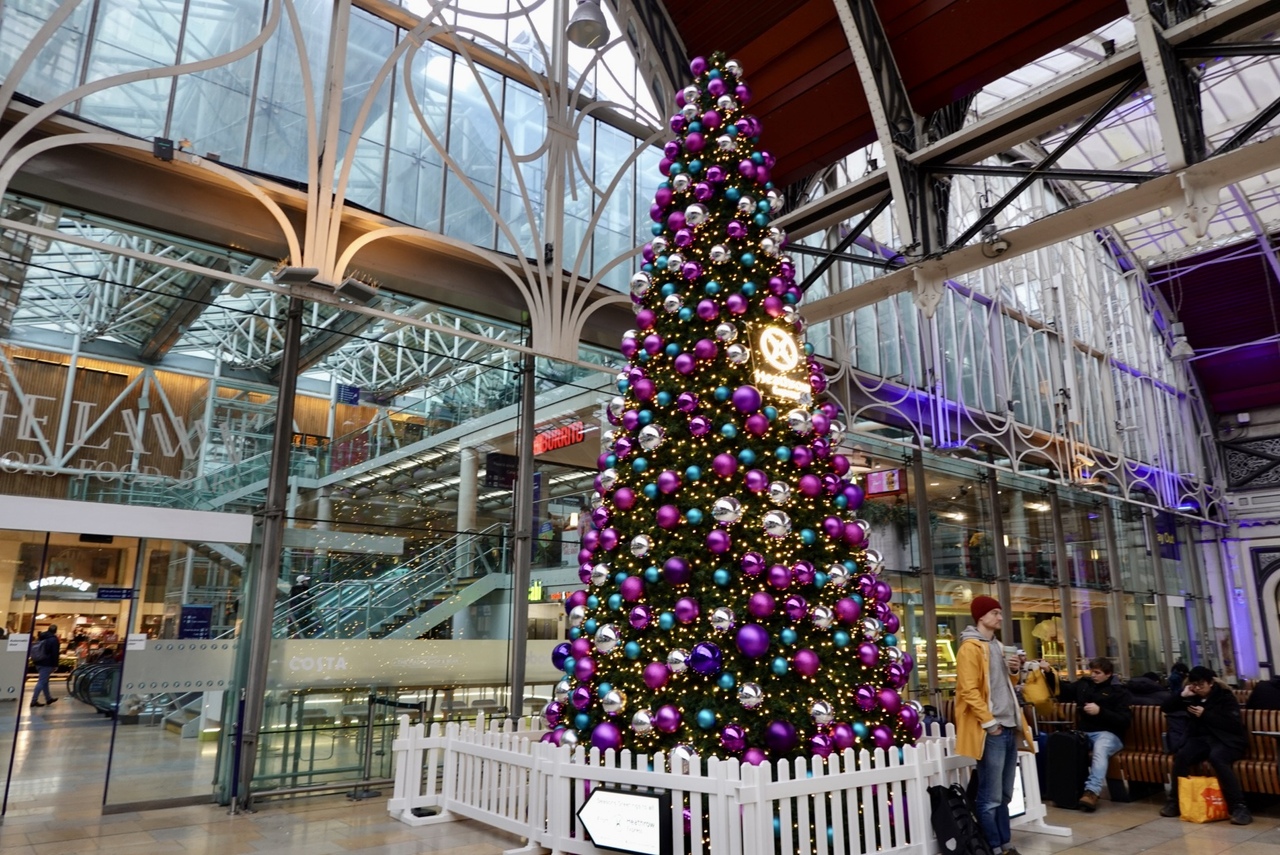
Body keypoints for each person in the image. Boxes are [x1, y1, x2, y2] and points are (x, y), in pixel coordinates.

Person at [955, 596, 1035, 855]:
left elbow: (1006, 685)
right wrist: (990, 724)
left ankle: (1005, 844)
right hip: (993, 729)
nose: (1000, 617)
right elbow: (968, 690)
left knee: (1005, 794)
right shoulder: (970, 648)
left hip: (1009, 725)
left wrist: (1014, 671)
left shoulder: (998, 646)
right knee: (990, 797)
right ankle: (995, 847)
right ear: (981, 616)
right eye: (995, 613)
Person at [1159, 665, 1250, 825]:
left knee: (1217, 758)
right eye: (1194, 685)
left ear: (1211, 683)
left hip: (1226, 740)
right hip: (1201, 740)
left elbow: (1232, 724)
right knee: (1182, 756)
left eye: (1201, 685)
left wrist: (1206, 714)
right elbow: (1166, 707)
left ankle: (1239, 806)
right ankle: (1174, 801)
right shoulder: (1191, 697)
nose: (1197, 688)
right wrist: (1182, 695)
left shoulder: (1225, 697)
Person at [1073, 657, 1132, 811]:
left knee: (1100, 749)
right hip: (1085, 732)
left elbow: (1124, 720)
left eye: (1097, 672)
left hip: (1109, 734)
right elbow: (1064, 690)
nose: (1093, 675)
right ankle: (1068, 789)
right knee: (1068, 744)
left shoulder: (1119, 692)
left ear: (1108, 674)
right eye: (1092, 672)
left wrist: (1100, 711)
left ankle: (1091, 792)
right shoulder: (1086, 687)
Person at [29, 626, 60, 708]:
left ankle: (48, 698)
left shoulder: (42, 637)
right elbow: (55, 653)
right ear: (55, 631)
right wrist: (55, 665)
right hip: (47, 663)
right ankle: (34, 701)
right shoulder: (53, 640)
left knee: (45, 681)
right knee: (42, 681)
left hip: (38, 661)